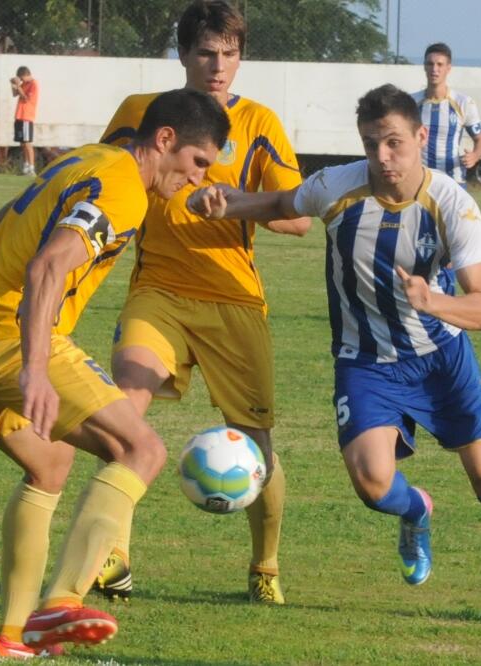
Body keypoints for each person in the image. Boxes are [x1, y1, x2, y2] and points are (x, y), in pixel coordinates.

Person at [187, 84, 481, 630]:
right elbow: (280, 204)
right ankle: (416, 510)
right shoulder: (338, 186)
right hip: (365, 361)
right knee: (371, 482)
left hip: (441, 362)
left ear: (420, 138)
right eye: (371, 144)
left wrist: (435, 301)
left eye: (394, 143)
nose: (382, 157)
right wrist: (223, 202)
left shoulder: (452, 203)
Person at [0, 89, 229, 658]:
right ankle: (62, 604)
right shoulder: (124, 188)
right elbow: (48, 263)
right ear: (164, 140)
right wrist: (37, 368)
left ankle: (13, 635)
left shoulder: (83, 159)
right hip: (5, 339)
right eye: (197, 163)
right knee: (141, 450)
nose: (197, 179)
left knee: (51, 462)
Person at [95, 0, 310, 605]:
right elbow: (106, 178)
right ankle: (113, 555)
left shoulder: (260, 123)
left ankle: (265, 569)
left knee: (257, 444)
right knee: (123, 413)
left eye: (231, 53)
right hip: (156, 292)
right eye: (207, 53)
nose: (219, 65)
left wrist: (235, 201)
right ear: (183, 54)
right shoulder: (140, 114)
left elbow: (297, 220)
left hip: (233, 302)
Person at [411, 43, 481, 189]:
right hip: (419, 180)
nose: (434, 69)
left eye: (440, 64)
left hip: (453, 181)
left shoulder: (463, 103)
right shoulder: (411, 103)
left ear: (448, 68)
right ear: (424, 67)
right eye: (430, 64)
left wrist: (475, 156)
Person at [10, 67, 39, 176]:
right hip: (19, 116)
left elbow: (26, 98)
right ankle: (26, 167)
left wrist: (18, 85)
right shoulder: (25, 84)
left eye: (22, 78)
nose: (21, 80)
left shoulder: (33, 84)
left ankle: (32, 168)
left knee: (27, 143)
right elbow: (15, 94)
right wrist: (13, 85)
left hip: (27, 116)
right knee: (22, 143)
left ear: (26, 75)